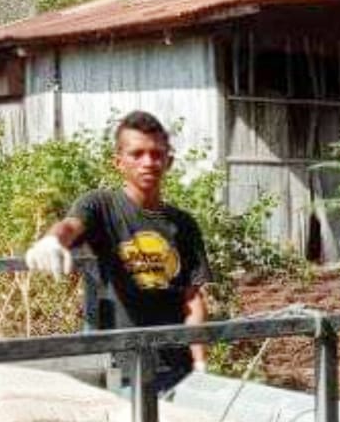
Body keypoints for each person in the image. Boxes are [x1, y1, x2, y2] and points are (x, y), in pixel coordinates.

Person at [24, 110, 210, 392]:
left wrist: (199, 363)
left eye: (156, 154)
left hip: (174, 367)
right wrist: (52, 241)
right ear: (119, 162)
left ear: (168, 161)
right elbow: (70, 226)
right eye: (137, 154)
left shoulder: (183, 223)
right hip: (115, 368)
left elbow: (192, 300)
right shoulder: (101, 206)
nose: (148, 162)